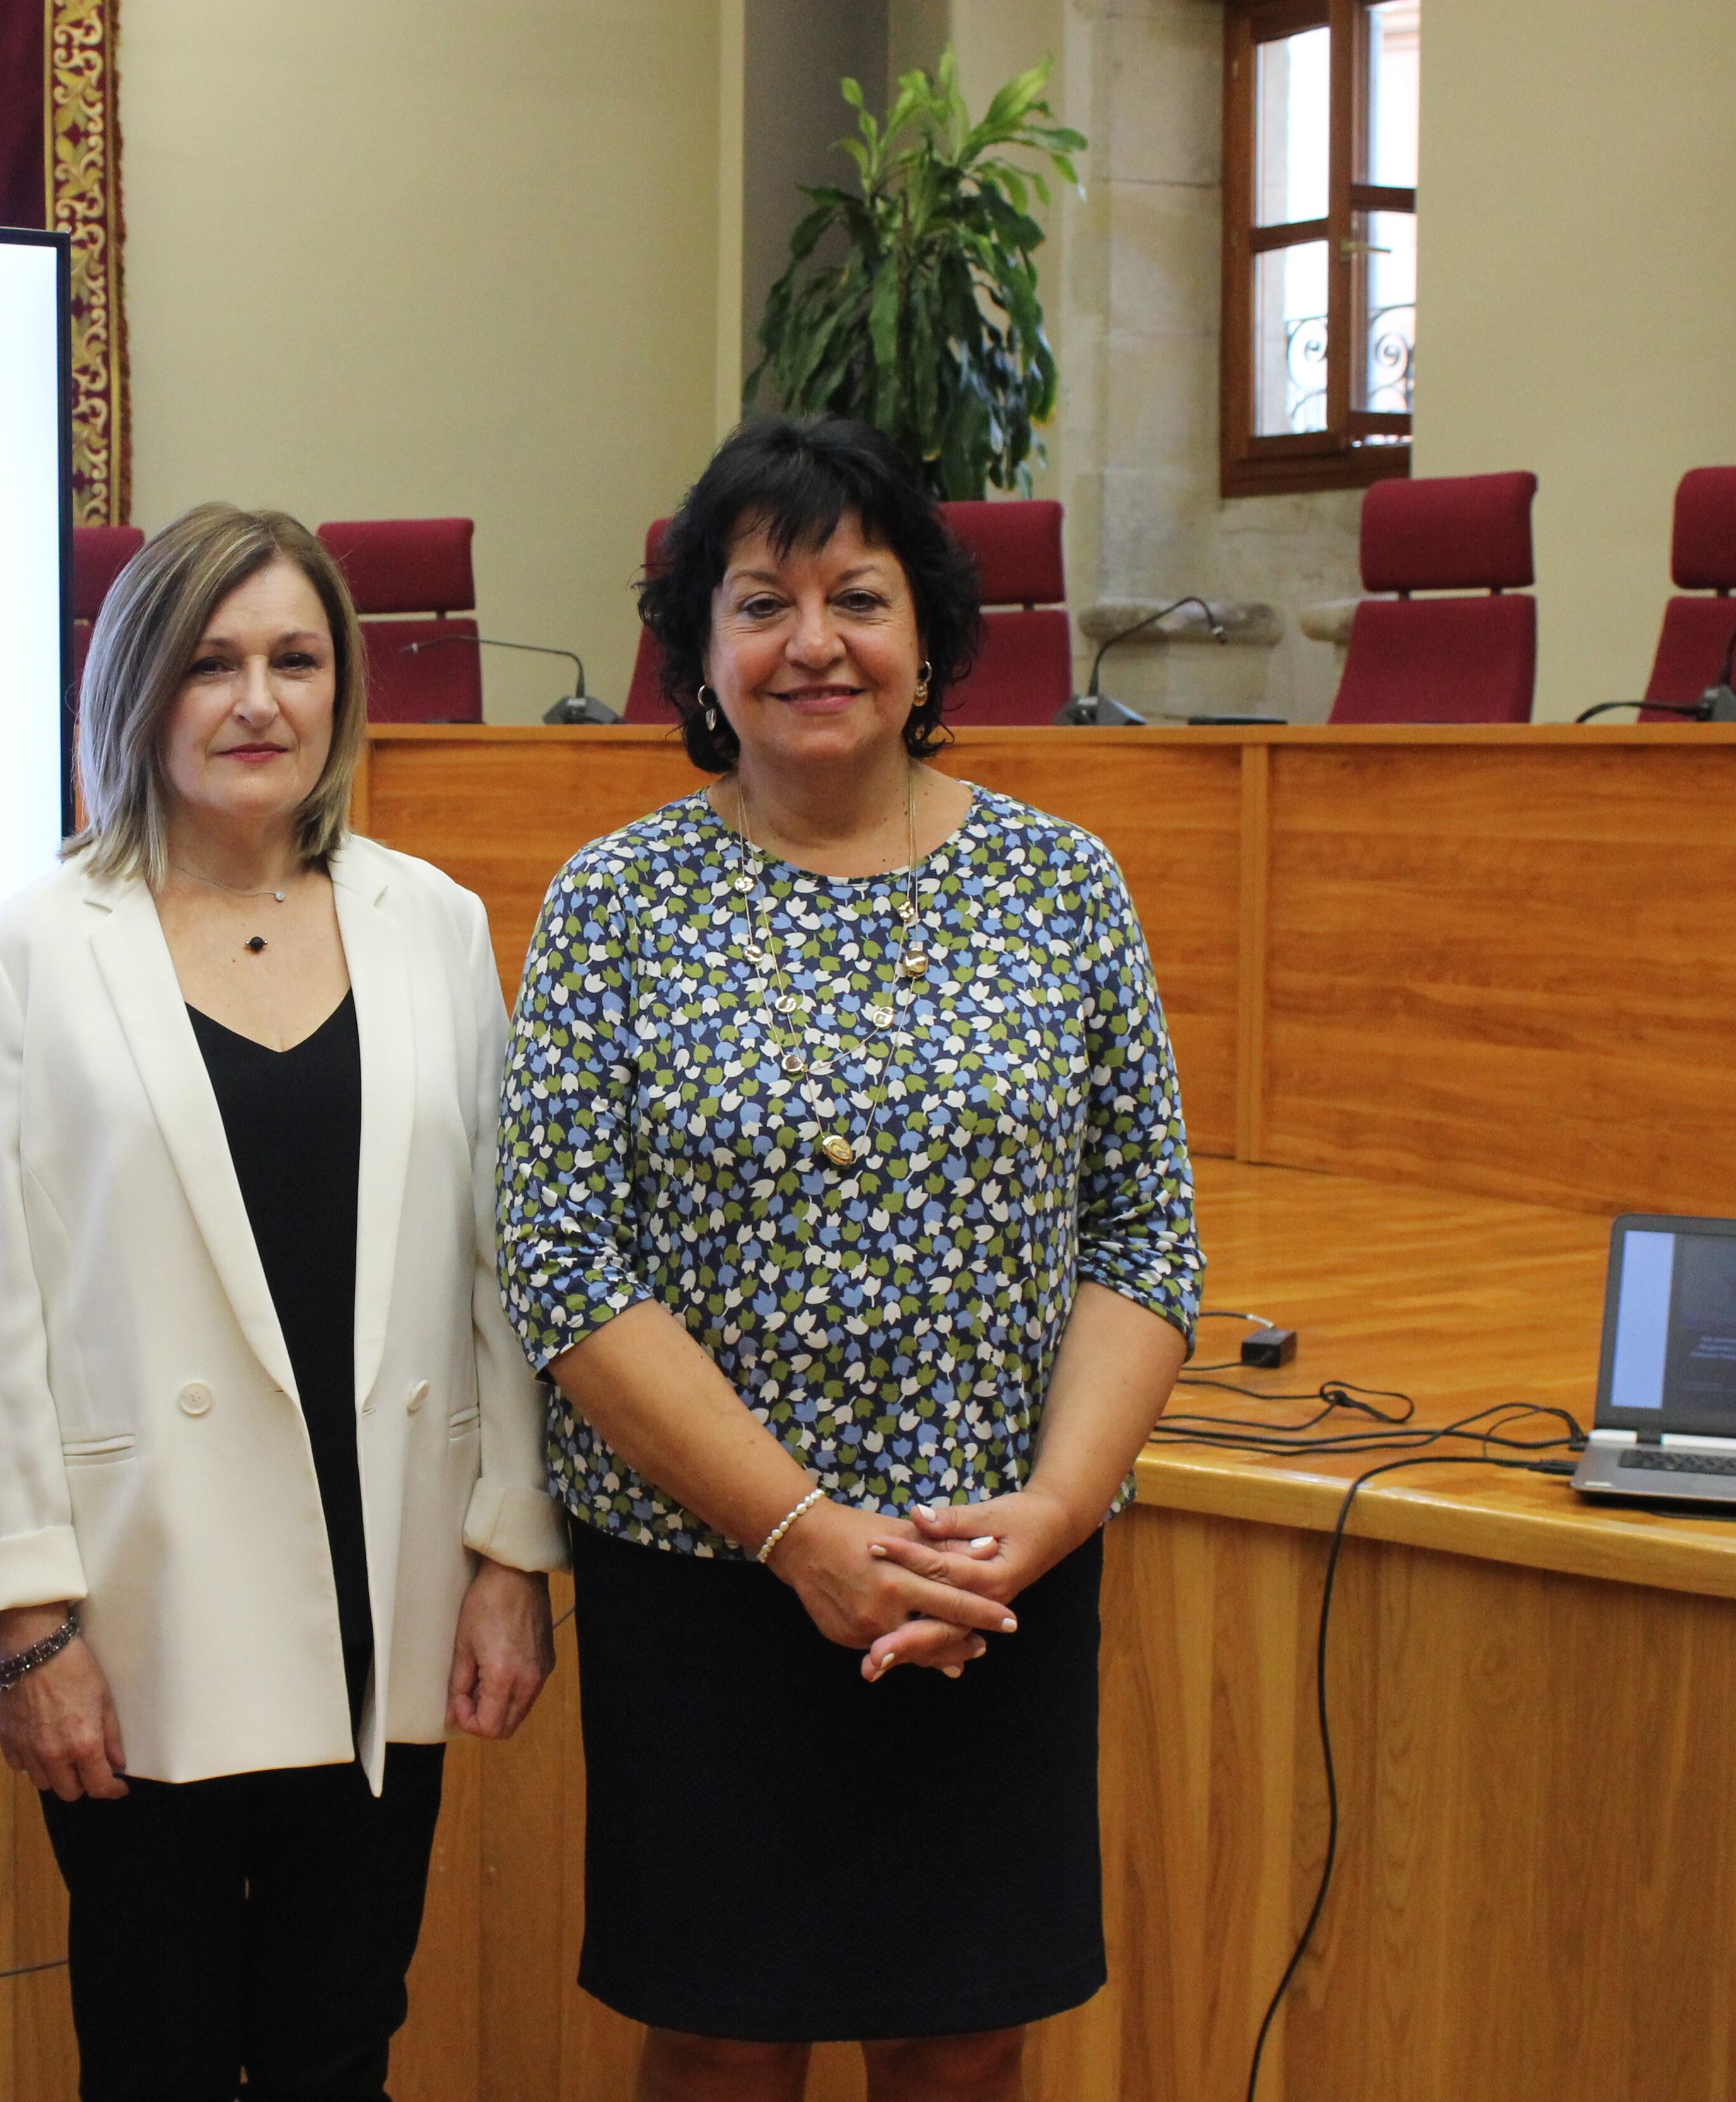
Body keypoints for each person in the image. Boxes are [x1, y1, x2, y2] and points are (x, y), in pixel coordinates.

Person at [496, 417, 1201, 2102]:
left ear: (931, 635)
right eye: (763, 600)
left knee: (965, 2032)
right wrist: (802, 1530)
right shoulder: (616, 901)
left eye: (859, 596)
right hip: (710, 1570)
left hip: (990, 1575)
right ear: (703, 648)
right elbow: (564, 1257)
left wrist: (1047, 1515)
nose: (814, 642)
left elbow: (1144, 1229)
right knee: (726, 2032)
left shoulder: (1060, 885)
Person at [0, 502, 567, 2101]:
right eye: (212, 662)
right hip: (142, 1608)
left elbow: (502, 1264)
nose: (258, 700)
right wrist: (28, 1623)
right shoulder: (34, 943)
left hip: (389, 1582)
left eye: (296, 659)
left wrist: (513, 1551)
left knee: (339, 2037)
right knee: (149, 2050)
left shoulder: (432, 919)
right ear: (138, 688)